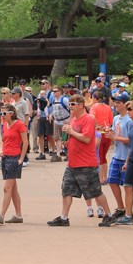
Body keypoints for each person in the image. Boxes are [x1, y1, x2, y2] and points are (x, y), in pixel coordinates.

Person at [46, 94, 114, 227]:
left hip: (86, 163)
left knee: (95, 191)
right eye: (69, 104)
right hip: (72, 163)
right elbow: (75, 137)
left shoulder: (88, 119)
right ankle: (64, 217)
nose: (70, 106)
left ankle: (109, 215)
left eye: (73, 104)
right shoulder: (73, 120)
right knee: (66, 189)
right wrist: (68, 140)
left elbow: (87, 138)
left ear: (81, 105)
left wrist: (71, 132)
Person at [0, 104, 28, 225]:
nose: (2, 116)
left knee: (7, 188)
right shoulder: (5, 125)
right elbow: (3, 140)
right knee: (12, 189)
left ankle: (1, 215)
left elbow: (25, 142)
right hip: (6, 157)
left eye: (4, 113)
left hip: (14, 158)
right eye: (1, 113)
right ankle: (18, 215)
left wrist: (22, 158)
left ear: (11, 113)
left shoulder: (19, 124)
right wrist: (1, 150)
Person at [105, 93, 131, 220]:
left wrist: (115, 137)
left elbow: (132, 140)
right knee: (112, 181)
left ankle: (128, 211)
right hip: (116, 155)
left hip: (126, 156)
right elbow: (115, 134)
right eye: (115, 102)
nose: (116, 105)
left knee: (127, 185)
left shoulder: (130, 120)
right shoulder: (116, 118)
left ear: (126, 104)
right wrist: (109, 133)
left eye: (118, 102)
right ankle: (121, 207)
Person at [90, 91, 113, 185]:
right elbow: (111, 121)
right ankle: (105, 177)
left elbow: (91, 118)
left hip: (99, 134)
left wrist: (96, 126)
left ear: (95, 98)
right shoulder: (108, 107)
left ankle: (100, 178)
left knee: (98, 156)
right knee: (103, 156)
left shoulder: (94, 107)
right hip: (107, 133)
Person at [48, 85, 70, 163]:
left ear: (60, 92)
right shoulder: (54, 100)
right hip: (57, 121)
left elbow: (71, 109)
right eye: (53, 91)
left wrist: (70, 120)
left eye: (55, 91)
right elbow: (55, 110)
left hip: (65, 121)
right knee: (57, 138)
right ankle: (58, 154)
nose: (53, 93)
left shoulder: (64, 100)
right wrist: (51, 115)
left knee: (66, 139)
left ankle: (68, 154)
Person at [11, 87, 30, 167]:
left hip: (21, 124)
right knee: (17, 142)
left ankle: (25, 159)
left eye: (13, 93)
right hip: (14, 124)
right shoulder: (13, 103)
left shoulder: (24, 102)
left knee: (23, 142)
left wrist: (26, 126)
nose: (12, 95)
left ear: (18, 94)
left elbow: (27, 114)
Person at [35, 89, 50, 160]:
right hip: (40, 118)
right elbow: (37, 105)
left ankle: (51, 150)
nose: (42, 95)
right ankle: (42, 153)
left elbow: (48, 104)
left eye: (43, 94)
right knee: (40, 135)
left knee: (49, 135)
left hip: (46, 117)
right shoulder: (39, 98)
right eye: (41, 93)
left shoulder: (46, 98)